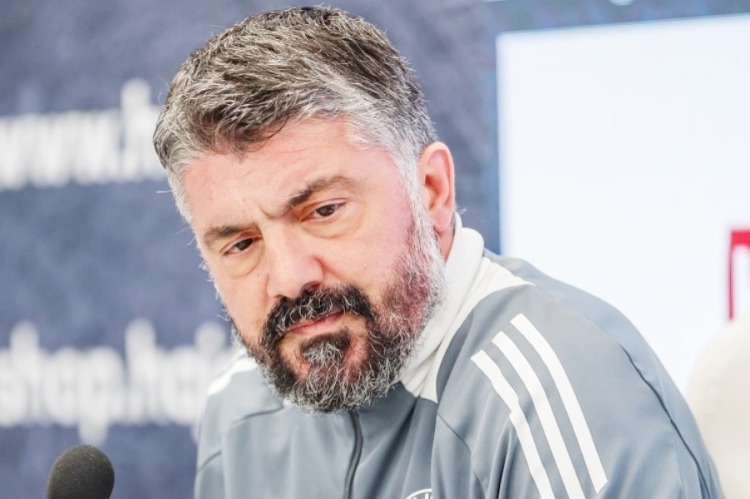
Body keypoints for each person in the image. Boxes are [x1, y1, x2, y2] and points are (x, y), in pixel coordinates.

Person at [153, 6, 723, 498]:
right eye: (241, 243)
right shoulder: (239, 409)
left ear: (431, 191)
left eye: (323, 211)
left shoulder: (561, 392)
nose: (288, 278)